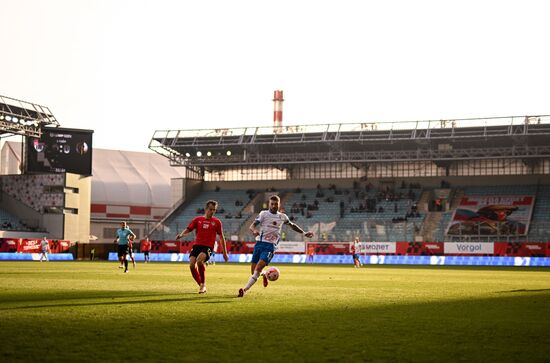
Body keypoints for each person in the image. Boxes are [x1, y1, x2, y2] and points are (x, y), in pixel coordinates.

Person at [238, 195, 313, 297]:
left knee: (258, 268)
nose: (273, 206)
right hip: (259, 244)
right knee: (254, 271)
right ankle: (265, 274)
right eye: (272, 204)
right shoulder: (263, 214)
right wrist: (254, 230)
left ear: (279, 204)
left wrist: (304, 233)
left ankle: (244, 290)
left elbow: (292, 225)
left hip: (270, 246)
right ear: (269, 204)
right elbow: (252, 225)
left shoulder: (282, 216)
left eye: (275, 204)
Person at [175, 200, 229, 294]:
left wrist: (225, 253)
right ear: (206, 209)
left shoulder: (217, 222)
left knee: (199, 261)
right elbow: (189, 229)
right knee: (192, 265)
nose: (212, 212)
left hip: (208, 247)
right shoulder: (197, 220)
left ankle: (203, 284)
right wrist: (182, 235)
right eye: (210, 209)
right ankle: (201, 285)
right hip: (197, 246)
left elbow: (221, 237)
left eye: (214, 210)